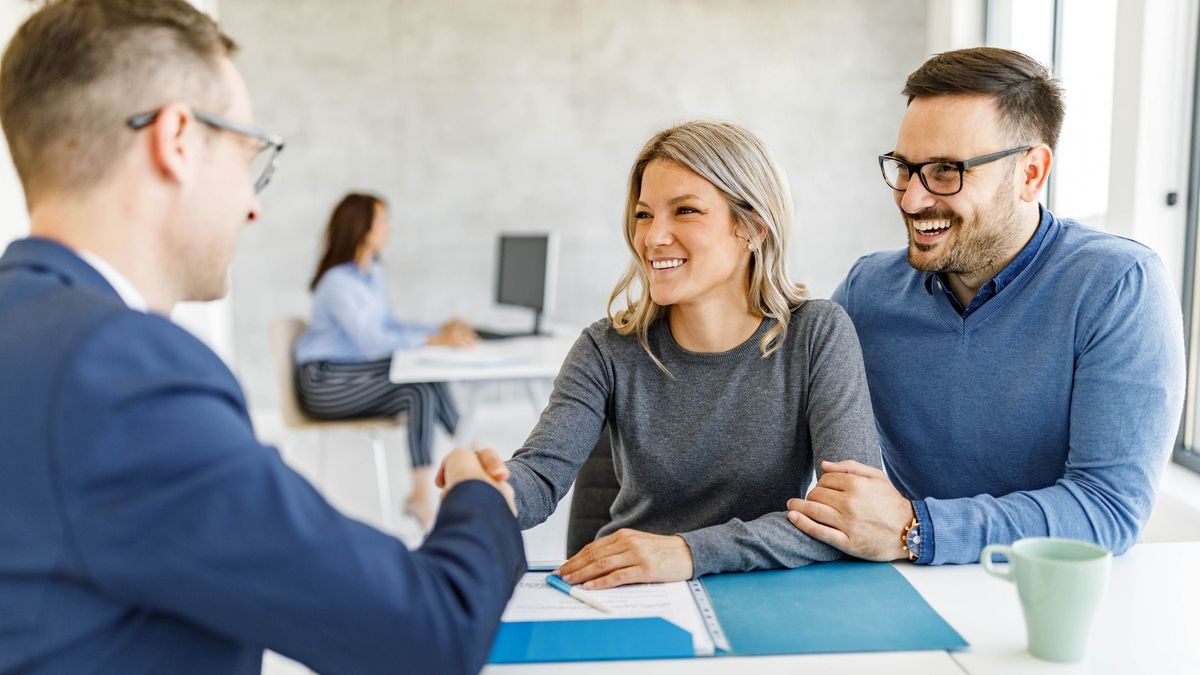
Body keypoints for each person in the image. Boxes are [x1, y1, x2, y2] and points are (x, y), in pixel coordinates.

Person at [0, 2, 522, 673]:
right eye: (251, 156)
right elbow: (431, 631)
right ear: (178, 139)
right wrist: (482, 499)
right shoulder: (122, 372)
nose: (254, 204)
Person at [786, 47, 1186, 565]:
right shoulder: (867, 290)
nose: (911, 199)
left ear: (1031, 173)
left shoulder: (1117, 287)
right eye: (905, 169)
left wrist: (916, 528)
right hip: (894, 588)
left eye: (947, 171)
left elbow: (1107, 508)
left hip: (1036, 601)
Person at [483, 120, 882, 589]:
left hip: (763, 590)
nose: (652, 238)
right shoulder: (606, 349)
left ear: (752, 226)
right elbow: (539, 476)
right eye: (644, 214)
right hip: (631, 596)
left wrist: (690, 552)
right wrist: (487, 490)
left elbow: (850, 514)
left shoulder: (816, 335)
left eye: (685, 211)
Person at [295, 192, 477, 528]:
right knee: (417, 390)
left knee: (429, 376)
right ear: (361, 228)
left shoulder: (372, 272)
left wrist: (438, 329)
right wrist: (436, 340)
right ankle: (422, 496)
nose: (389, 230)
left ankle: (469, 447)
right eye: (382, 221)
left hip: (351, 372)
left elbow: (389, 326)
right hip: (324, 382)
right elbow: (372, 342)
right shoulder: (337, 282)